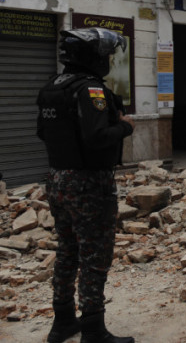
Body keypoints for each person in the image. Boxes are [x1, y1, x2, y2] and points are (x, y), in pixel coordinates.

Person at [37, 28, 135, 343]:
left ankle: (63, 320)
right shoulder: (90, 90)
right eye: (104, 55)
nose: (107, 60)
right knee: (95, 255)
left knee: (68, 250)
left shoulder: (53, 86)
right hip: (89, 183)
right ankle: (93, 329)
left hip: (57, 180)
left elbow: (43, 133)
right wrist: (123, 127)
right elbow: (96, 139)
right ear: (91, 57)